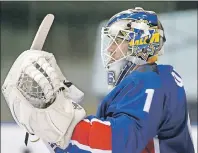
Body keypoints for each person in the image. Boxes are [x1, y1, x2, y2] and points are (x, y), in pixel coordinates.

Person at [2, 7, 195, 153]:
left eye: (118, 40)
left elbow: (119, 144)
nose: (110, 50)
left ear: (142, 43)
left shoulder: (147, 82)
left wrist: (63, 124)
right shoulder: (152, 82)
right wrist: (51, 125)